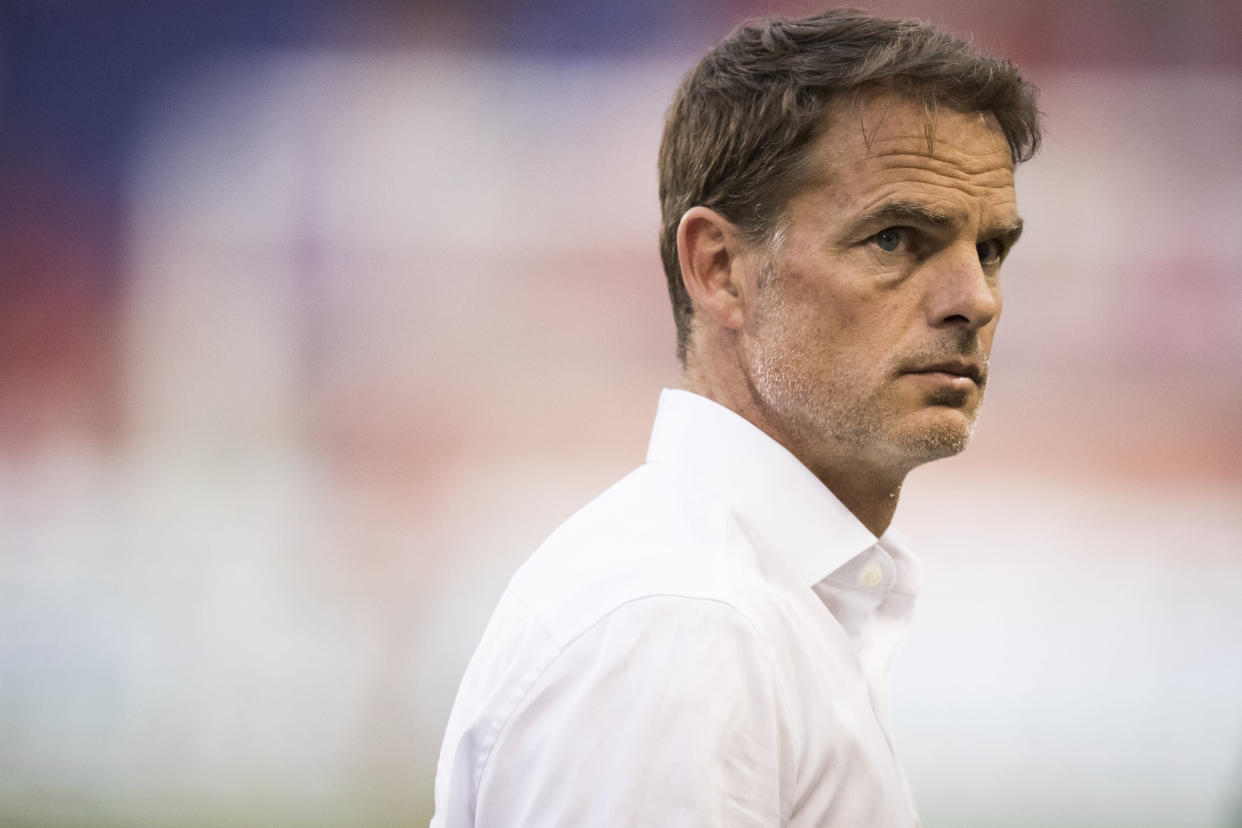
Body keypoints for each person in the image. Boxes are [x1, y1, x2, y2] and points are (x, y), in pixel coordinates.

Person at [432, 9, 1041, 827]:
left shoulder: (748, 602)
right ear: (719, 269)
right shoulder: (682, 622)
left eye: (991, 249)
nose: (975, 298)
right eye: (896, 239)